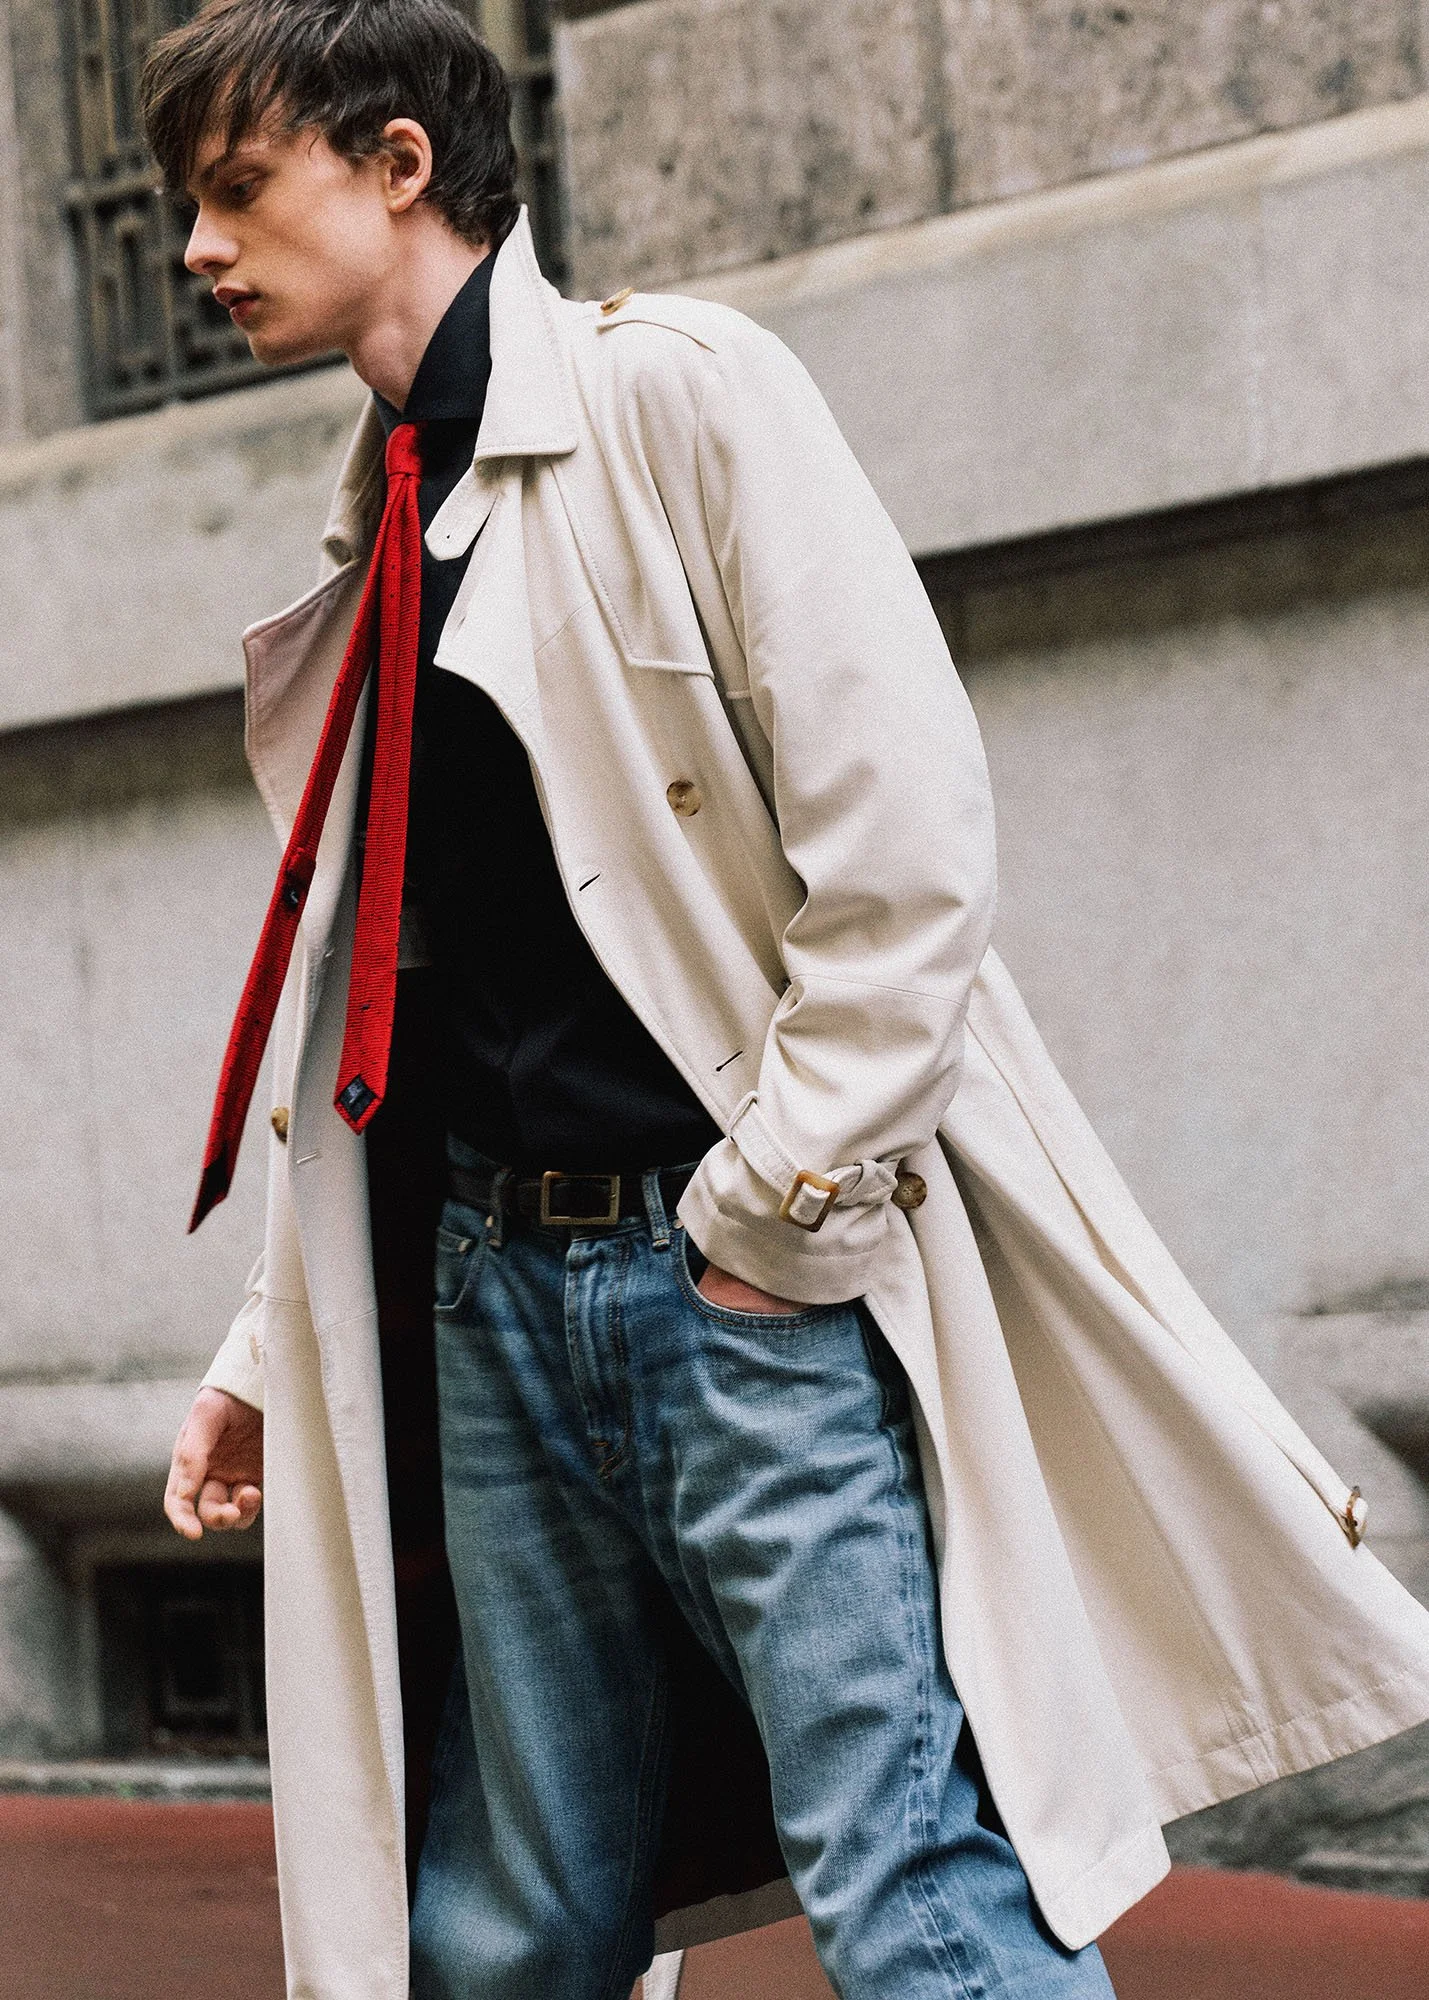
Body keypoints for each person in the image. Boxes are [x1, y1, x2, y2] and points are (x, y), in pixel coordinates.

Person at [143, 5, 1429, 1999]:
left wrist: (770, 1225)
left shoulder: (678, 397)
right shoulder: (388, 500)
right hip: (493, 1290)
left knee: (906, 1873)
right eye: (183, 208)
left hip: (724, 1280)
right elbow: (389, 981)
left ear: (399, 167)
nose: (199, 251)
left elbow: (905, 843)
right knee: (509, 1925)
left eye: (237, 191)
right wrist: (258, 1340)